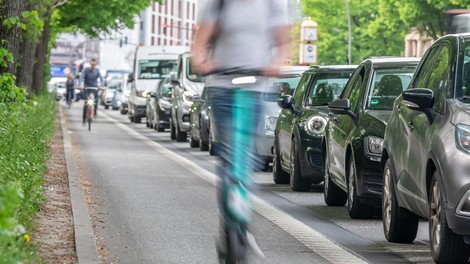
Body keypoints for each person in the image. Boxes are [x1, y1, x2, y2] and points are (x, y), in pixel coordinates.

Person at [191, 0, 290, 261]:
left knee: (244, 158)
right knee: (228, 157)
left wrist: (276, 63)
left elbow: (283, 42)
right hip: (222, 86)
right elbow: (201, 42)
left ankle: (242, 218)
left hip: (255, 87)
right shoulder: (220, 3)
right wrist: (200, 60)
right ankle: (229, 223)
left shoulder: (271, 5)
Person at [79, 59, 104, 123]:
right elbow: (81, 77)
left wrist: (102, 85)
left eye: (94, 65)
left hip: (95, 88)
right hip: (87, 87)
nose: (93, 66)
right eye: (92, 64)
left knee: (96, 100)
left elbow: (101, 79)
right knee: (86, 102)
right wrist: (79, 84)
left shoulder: (97, 71)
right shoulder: (86, 70)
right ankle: (84, 118)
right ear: (90, 64)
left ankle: (94, 112)